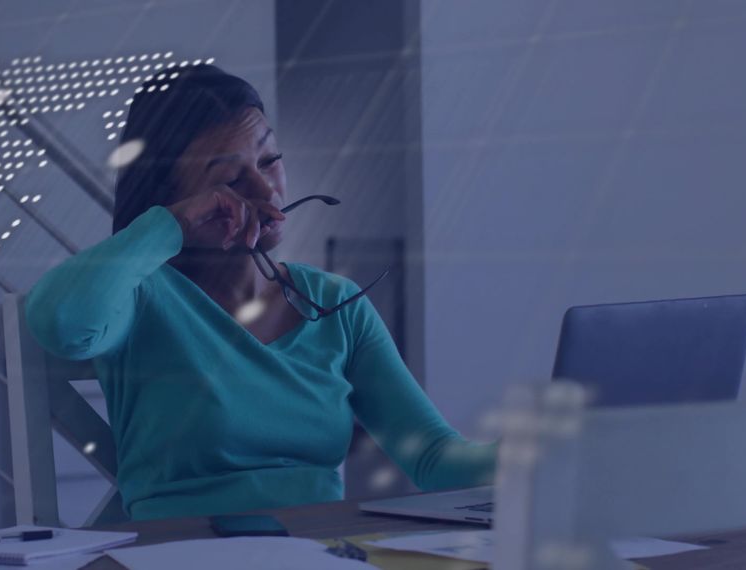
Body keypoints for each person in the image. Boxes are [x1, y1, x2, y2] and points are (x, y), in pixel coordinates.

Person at [25, 64, 496, 521]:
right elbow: (61, 323)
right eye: (230, 180)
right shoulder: (138, 297)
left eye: (270, 161)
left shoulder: (336, 303)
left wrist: (546, 454)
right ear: (176, 199)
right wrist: (169, 226)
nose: (265, 189)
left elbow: (434, 458)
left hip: (317, 555)